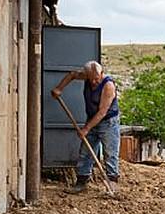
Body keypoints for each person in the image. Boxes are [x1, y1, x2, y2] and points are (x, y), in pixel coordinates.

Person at [51, 61, 120, 193]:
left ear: (102, 73)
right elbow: (71, 75)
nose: (94, 81)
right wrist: (59, 88)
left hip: (108, 122)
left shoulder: (108, 86)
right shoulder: (85, 75)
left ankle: (112, 184)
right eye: (91, 79)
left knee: (110, 153)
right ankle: (81, 182)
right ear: (86, 75)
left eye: (97, 78)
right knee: (85, 152)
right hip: (92, 119)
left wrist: (86, 128)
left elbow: (102, 112)